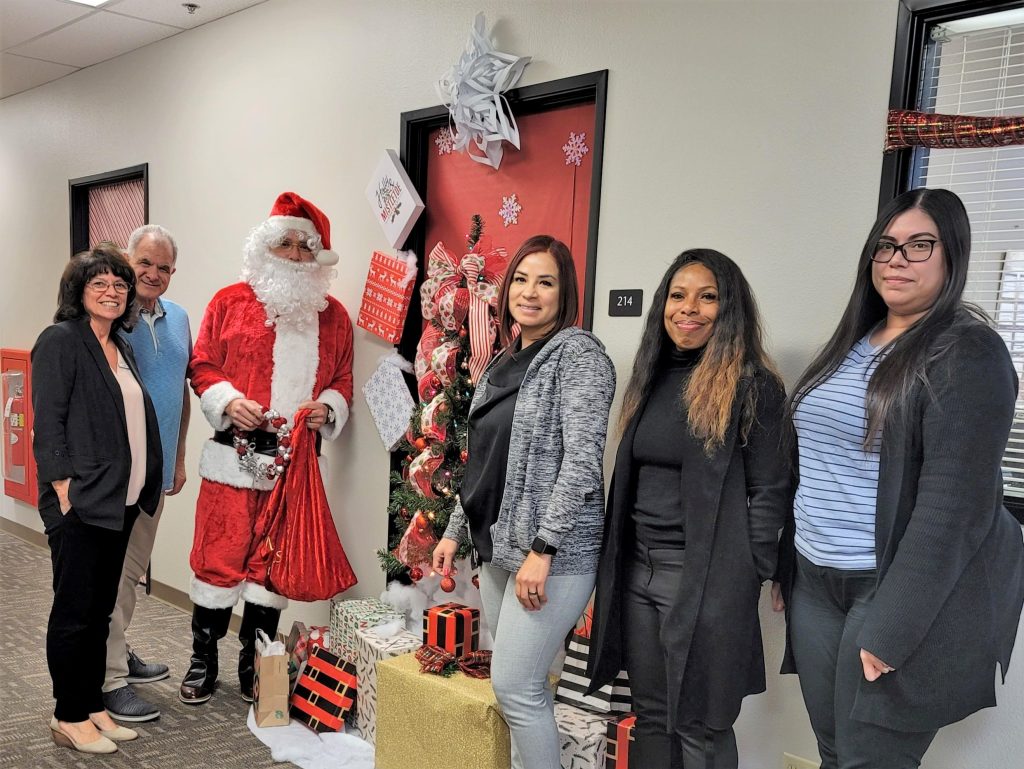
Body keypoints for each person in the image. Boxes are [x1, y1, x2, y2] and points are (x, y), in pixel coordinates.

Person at [773, 188, 1024, 769]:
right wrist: (790, 563)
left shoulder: (968, 352)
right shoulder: (853, 343)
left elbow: (951, 511)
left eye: (919, 245)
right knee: (834, 752)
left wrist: (893, 628)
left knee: (871, 761)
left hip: (885, 591)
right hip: (816, 581)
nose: (897, 259)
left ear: (951, 254)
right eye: (886, 245)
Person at [586, 249, 791, 769]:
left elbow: (771, 490)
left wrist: (749, 572)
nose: (689, 308)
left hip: (701, 577)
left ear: (729, 309)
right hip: (637, 571)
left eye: (708, 297)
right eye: (678, 295)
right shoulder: (650, 376)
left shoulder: (752, 385)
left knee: (701, 722)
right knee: (652, 715)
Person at [433, 235, 616, 769]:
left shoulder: (579, 355)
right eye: (521, 279)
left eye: (546, 282)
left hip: (550, 556)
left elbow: (582, 462)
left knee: (516, 689)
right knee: (522, 689)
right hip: (497, 548)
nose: (530, 292)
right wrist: (452, 530)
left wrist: (545, 548)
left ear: (566, 293)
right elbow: (482, 461)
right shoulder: (503, 363)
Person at [180, 191, 353, 705]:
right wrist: (230, 402)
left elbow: (342, 379)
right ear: (265, 247)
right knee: (218, 560)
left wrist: (328, 407)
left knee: (271, 567)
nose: (296, 255)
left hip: (293, 467)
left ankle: (255, 667)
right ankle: (202, 660)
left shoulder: (334, 316)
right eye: (285, 244)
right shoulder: (229, 302)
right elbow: (202, 365)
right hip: (231, 460)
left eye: (306, 247)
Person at [32, 243, 163, 753]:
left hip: (120, 503)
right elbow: (50, 423)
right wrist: (65, 490)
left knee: (99, 610)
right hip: (83, 503)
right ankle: (68, 714)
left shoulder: (119, 344)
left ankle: (90, 704)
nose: (112, 292)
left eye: (119, 284)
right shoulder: (61, 340)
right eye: (100, 284)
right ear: (79, 291)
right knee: (74, 612)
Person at [100, 225, 192, 722]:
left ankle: (118, 654)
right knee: (114, 576)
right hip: (117, 472)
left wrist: (177, 459)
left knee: (131, 573)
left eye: (164, 267)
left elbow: (180, 395)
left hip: (156, 470)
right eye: (145, 264)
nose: (153, 275)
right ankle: (110, 679)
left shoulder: (179, 319)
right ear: (127, 261)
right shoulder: (112, 318)